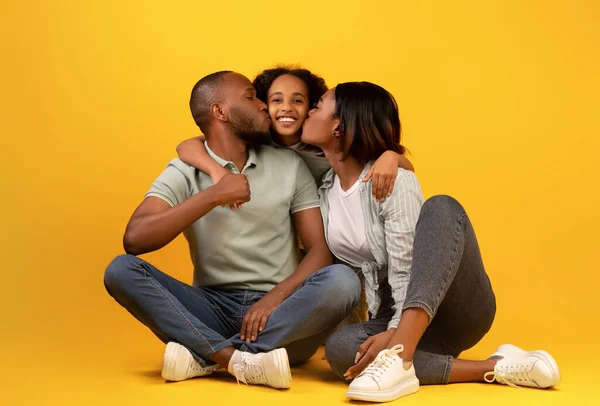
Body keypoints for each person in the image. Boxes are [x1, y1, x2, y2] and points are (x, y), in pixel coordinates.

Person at [300, 81, 561, 402]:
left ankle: (399, 355)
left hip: (452, 309)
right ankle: (493, 367)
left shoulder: (391, 180)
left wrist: (395, 333)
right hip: (391, 311)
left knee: (441, 207)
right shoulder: (326, 189)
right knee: (341, 350)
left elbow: (406, 266)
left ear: (339, 125)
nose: (309, 111)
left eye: (318, 105)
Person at [103, 71, 361, 390]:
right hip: (210, 305)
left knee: (343, 280)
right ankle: (238, 360)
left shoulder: (289, 164)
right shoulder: (185, 171)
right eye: (251, 97)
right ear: (220, 111)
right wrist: (214, 195)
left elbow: (320, 250)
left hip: (283, 314)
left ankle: (205, 354)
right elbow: (135, 239)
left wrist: (273, 301)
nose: (265, 105)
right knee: (121, 269)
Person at [176, 66, 415, 200]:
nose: (287, 108)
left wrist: (391, 157)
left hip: (326, 244)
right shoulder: (257, 144)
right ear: (263, 105)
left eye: (298, 100)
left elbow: (378, 166)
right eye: (276, 100)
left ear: (311, 109)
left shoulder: (326, 150)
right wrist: (215, 171)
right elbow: (187, 146)